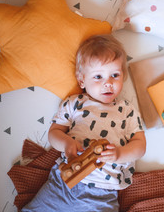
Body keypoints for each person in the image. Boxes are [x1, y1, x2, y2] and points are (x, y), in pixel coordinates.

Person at [22, 34, 146, 212]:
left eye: (115, 75)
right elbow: (54, 132)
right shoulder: (74, 103)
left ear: (123, 76)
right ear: (82, 80)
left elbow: (140, 146)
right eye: (98, 77)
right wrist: (66, 143)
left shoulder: (127, 110)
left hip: (102, 192)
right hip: (63, 183)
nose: (108, 83)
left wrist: (119, 154)